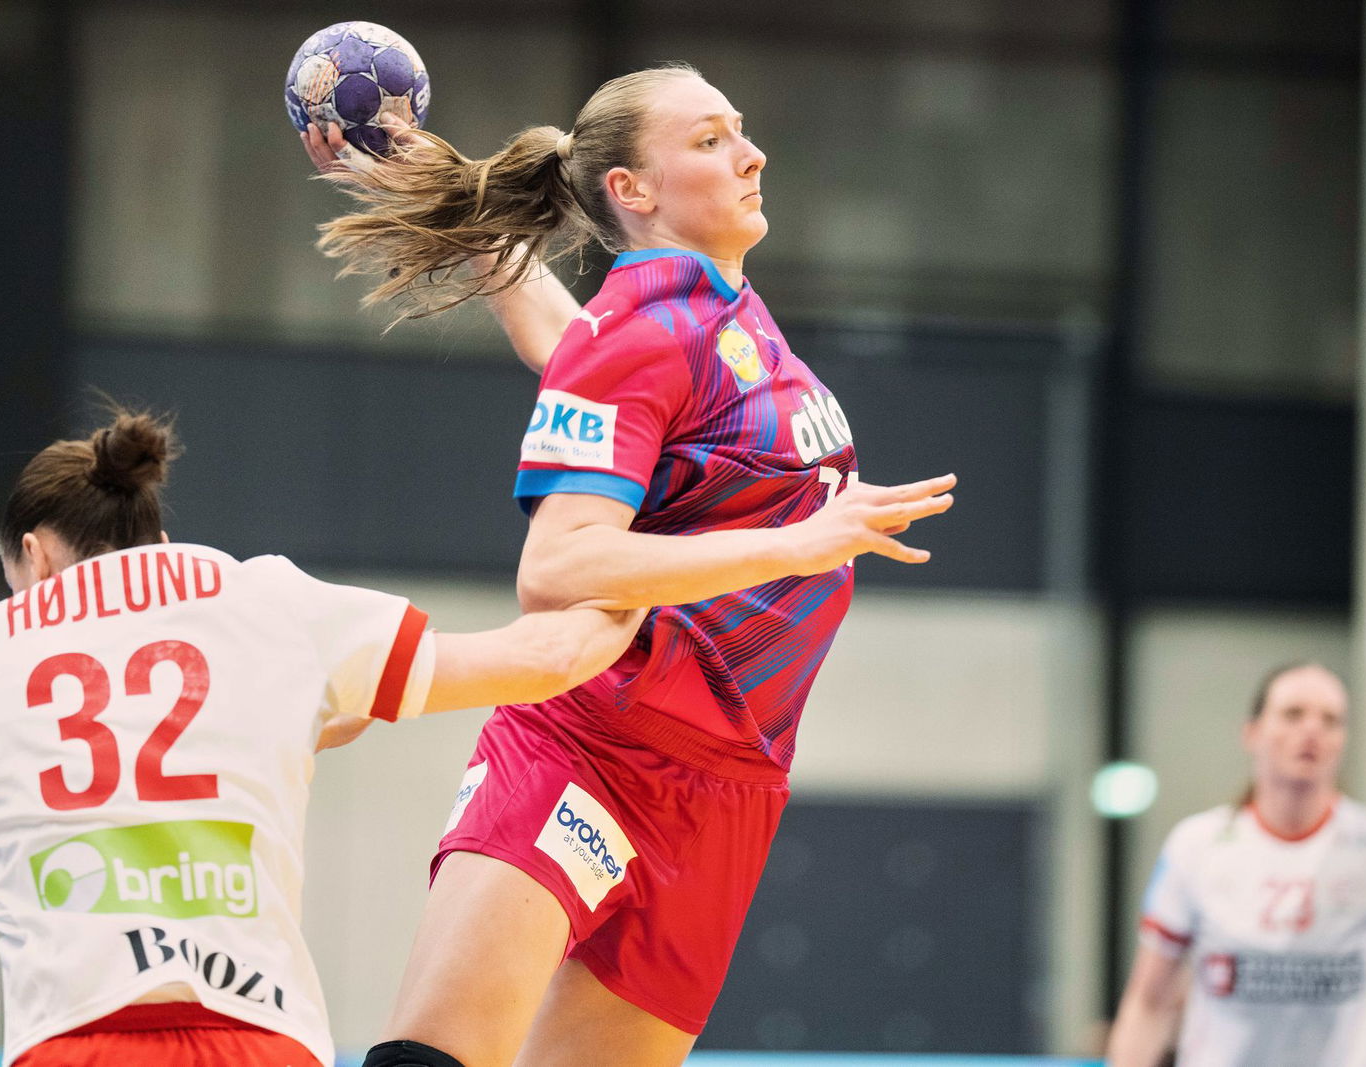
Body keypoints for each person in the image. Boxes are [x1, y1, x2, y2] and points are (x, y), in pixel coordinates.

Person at [305, 61, 958, 1067]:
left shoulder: (715, 314)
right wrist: (797, 542)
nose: (750, 153)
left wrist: (462, 220)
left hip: (731, 785)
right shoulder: (651, 321)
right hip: (593, 739)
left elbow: (588, 361)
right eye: (709, 139)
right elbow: (559, 565)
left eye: (738, 130)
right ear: (632, 191)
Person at [0, 409, 651, 1067]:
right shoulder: (262, 602)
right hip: (260, 1033)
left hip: (73, 1037)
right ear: (159, 540)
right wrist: (655, 559)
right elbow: (547, 659)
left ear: (35, 558)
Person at [1106, 663, 1366, 1067]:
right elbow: (1148, 1003)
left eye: (1331, 720)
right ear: (1251, 732)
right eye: (1292, 714)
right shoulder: (1196, 846)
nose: (1312, 731)